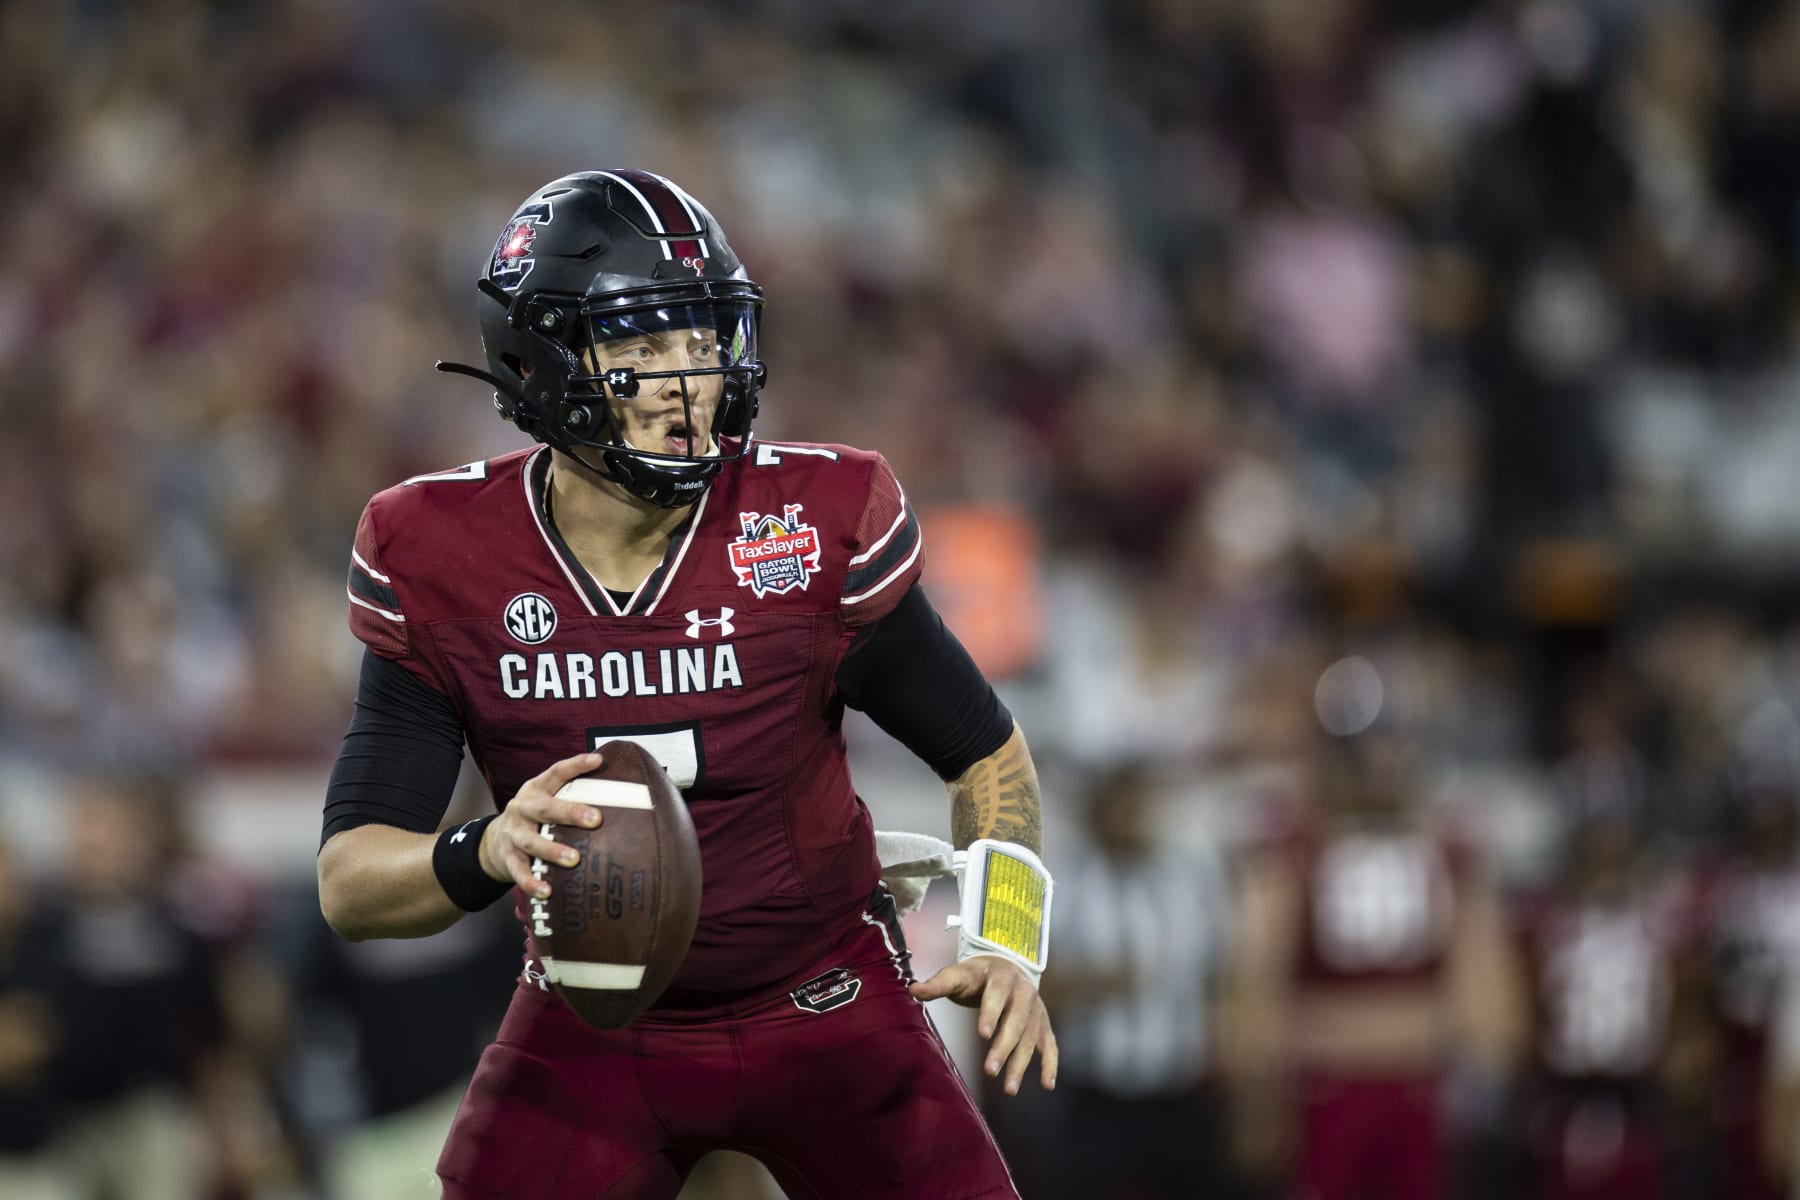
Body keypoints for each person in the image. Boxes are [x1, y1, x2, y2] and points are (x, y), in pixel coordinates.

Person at [315, 168, 1057, 1199]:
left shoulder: (807, 519)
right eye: (643, 346)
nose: (687, 380)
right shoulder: (437, 551)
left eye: (703, 340)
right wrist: (486, 848)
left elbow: (985, 751)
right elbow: (350, 884)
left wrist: (1009, 941)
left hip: (824, 997)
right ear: (539, 359)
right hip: (592, 1012)